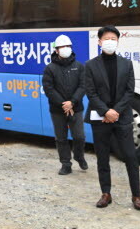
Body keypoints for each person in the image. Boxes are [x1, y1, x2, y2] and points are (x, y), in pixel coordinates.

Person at [84, 25, 140, 210]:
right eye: (107, 38)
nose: (110, 41)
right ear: (100, 41)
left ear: (117, 41)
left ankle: (136, 196)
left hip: (122, 117)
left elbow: (129, 91)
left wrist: (115, 111)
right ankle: (106, 193)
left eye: (113, 39)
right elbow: (91, 93)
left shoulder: (126, 64)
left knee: (130, 157)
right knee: (102, 157)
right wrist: (106, 111)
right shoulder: (90, 65)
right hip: (100, 118)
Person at [42, 34, 87, 175]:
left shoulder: (79, 66)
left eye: (68, 46)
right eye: (62, 47)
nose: (65, 49)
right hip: (57, 110)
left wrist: (72, 102)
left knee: (79, 136)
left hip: (76, 108)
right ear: (56, 50)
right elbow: (48, 89)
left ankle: (79, 156)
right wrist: (63, 104)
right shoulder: (50, 68)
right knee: (61, 138)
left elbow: (83, 85)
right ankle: (66, 164)